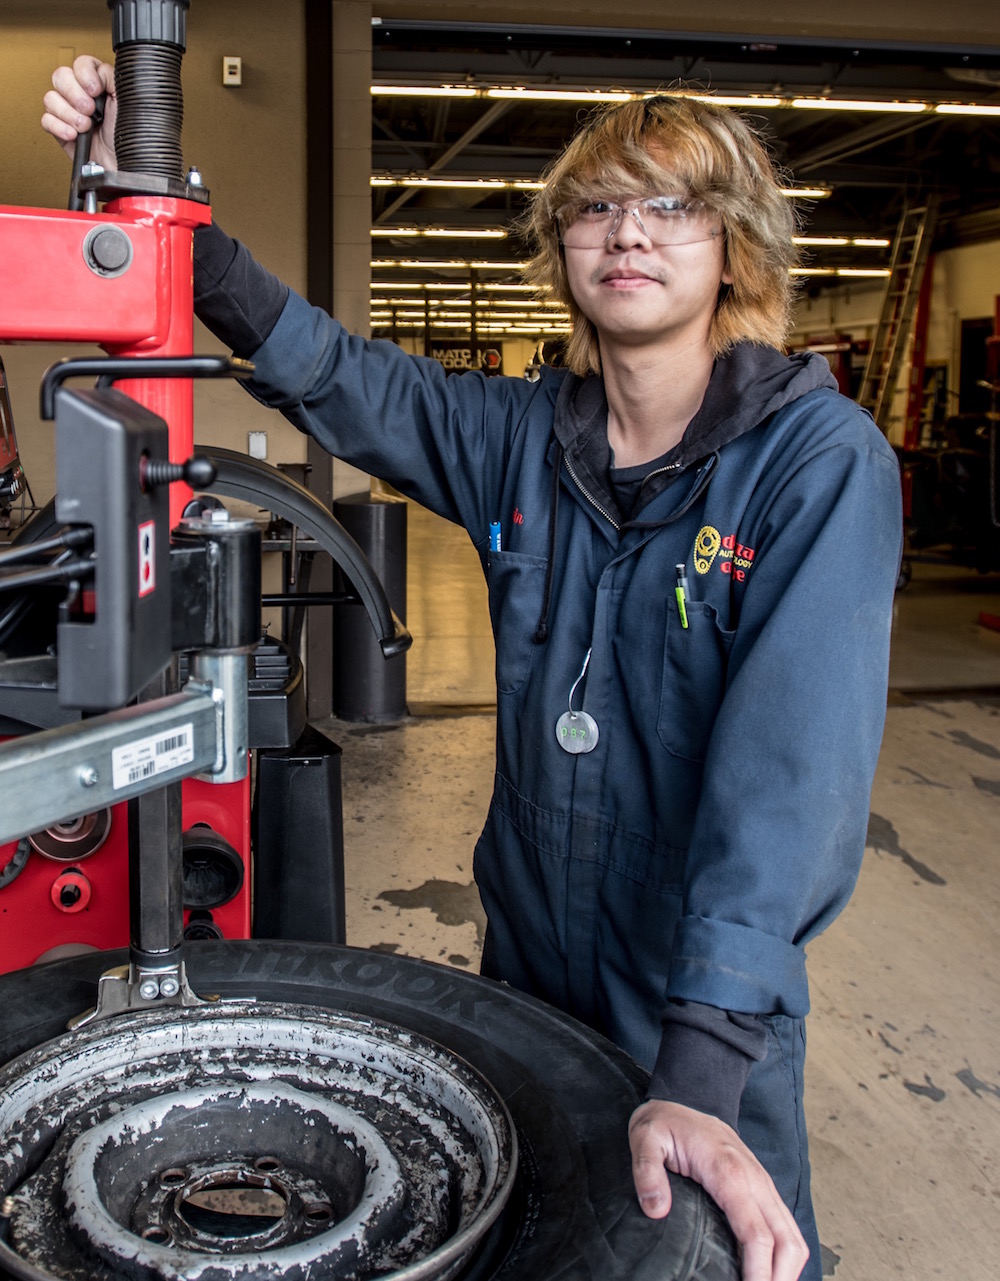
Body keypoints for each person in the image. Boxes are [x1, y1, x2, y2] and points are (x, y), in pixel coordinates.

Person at [43, 59, 903, 1281]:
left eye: (670, 206)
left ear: (738, 247)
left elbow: (790, 784)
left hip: (696, 1000)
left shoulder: (814, 463)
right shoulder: (525, 438)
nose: (626, 234)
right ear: (559, 249)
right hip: (529, 964)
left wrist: (704, 1065)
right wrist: (170, 206)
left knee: (714, 1253)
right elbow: (339, 376)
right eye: (596, 208)